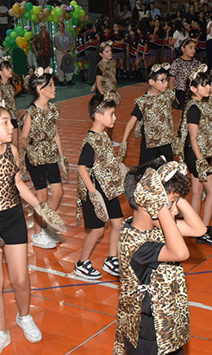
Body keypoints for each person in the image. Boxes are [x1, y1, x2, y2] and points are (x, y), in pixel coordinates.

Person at [114, 159, 212, 355]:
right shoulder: (135, 240)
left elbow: (198, 229)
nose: (174, 210)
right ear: (150, 205)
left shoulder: (160, 225)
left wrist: (174, 197)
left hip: (168, 325)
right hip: (147, 333)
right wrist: (163, 206)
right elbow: (181, 251)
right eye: (169, 204)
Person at [0, 100, 64, 355]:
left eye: (10, 121)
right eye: (4, 122)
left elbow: (17, 183)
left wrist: (40, 207)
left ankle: (24, 316)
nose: (11, 126)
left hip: (14, 218)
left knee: (20, 278)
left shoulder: (12, 152)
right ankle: (1, 331)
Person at [75, 95, 126, 280]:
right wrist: (93, 193)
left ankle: (112, 259)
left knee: (118, 223)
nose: (115, 118)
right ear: (98, 116)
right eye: (111, 114)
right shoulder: (91, 141)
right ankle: (81, 264)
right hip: (94, 191)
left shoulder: (103, 135)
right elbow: (82, 167)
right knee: (97, 230)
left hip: (108, 190)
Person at [176, 65, 212, 246]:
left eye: (207, 84)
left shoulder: (199, 104)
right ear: (194, 89)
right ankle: (204, 229)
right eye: (204, 85)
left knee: (197, 191)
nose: (208, 87)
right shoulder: (194, 108)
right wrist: (201, 161)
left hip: (201, 153)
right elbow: (193, 138)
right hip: (197, 155)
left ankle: (193, 227)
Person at [20, 68, 67, 250]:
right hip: (36, 157)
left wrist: (62, 157)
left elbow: (55, 134)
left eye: (54, 84)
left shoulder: (53, 109)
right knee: (42, 196)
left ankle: (47, 225)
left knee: (58, 192)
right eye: (50, 85)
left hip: (50, 154)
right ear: (40, 88)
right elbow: (23, 137)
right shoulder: (31, 112)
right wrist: (29, 150)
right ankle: (38, 234)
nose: (54, 88)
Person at [120, 63, 176, 165]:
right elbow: (131, 122)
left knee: (169, 175)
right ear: (152, 82)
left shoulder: (169, 96)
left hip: (167, 143)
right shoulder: (143, 101)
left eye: (166, 79)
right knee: (147, 175)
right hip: (150, 145)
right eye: (162, 80)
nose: (166, 83)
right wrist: (124, 141)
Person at [168, 38, 201, 109]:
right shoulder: (177, 63)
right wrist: (173, 96)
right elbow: (171, 80)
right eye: (190, 47)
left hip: (193, 92)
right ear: (183, 48)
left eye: (194, 48)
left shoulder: (197, 63)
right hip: (180, 93)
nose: (193, 50)